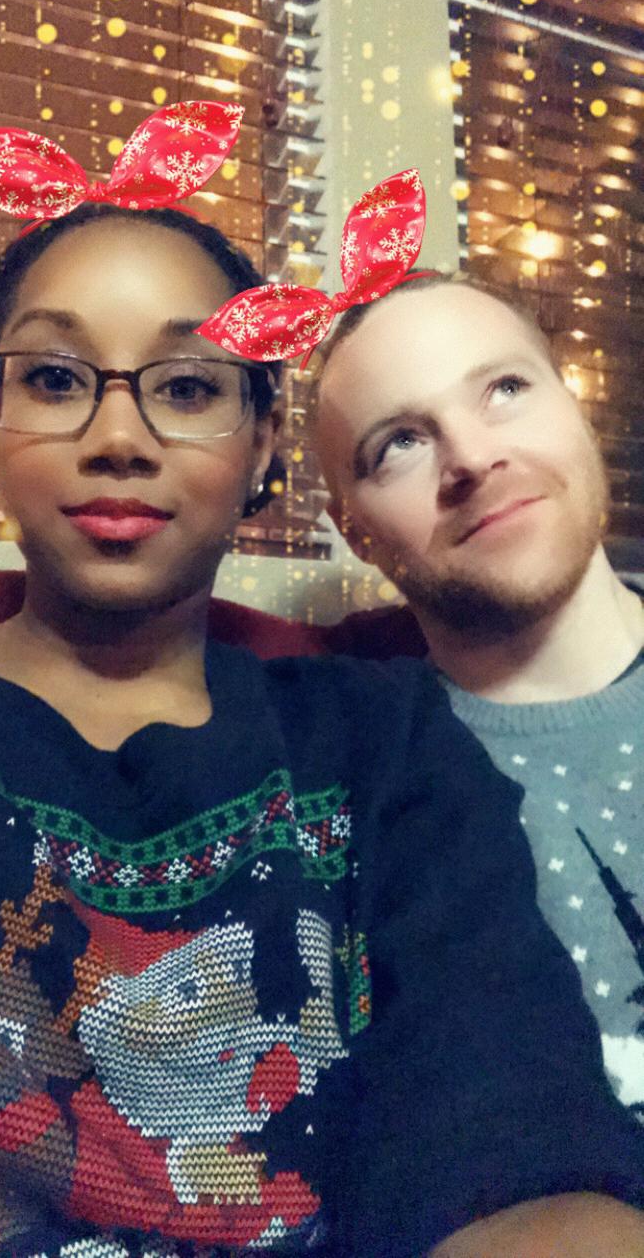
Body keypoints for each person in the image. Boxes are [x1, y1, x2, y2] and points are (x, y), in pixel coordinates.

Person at [0, 136, 643, 1258]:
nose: (118, 438)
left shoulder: (377, 743)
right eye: (54, 378)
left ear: (261, 450)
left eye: (187, 386)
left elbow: (515, 1148)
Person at [312, 270, 644, 1138]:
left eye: (504, 389)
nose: (470, 459)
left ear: (576, 408)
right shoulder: (355, 788)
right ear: (354, 530)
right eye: (400, 443)